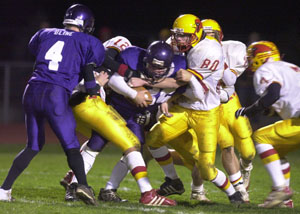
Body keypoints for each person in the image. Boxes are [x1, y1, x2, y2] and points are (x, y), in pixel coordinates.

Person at [0, 4, 103, 205]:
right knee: (71, 146)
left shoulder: (44, 33)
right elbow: (90, 78)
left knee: (33, 145)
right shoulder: (89, 41)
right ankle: (83, 185)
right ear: (86, 24)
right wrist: (91, 89)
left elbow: (37, 53)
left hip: (32, 89)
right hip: (55, 93)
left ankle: (4, 190)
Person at [60, 39, 178, 206]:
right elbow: (113, 76)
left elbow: (173, 87)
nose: (156, 70)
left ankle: (91, 185)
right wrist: (131, 88)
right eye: (152, 65)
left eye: (160, 67)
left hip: (123, 111)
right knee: (128, 145)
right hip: (104, 103)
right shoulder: (127, 52)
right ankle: (145, 193)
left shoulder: (177, 67)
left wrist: (153, 102)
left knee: (108, 144)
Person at [146, 14, 244, 204]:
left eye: (185, 36)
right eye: (177, 35)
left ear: (198, 34)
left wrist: (185, 81)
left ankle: (234, 193)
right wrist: (169, 97)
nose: (179, 40)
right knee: (153, 139)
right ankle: (173, 180)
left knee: (207, 168)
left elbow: (197, 93)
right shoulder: (176, 42)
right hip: (183, 107)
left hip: (206, 112)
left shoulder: (209, 50)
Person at [235, 40, 297, 208]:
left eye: (250, 59)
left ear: (259, 58)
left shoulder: (265, 69)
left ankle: (280, 189)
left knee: (261, 137)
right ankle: (284, 202)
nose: (248, 63)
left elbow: (273, 93)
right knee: (276, 149)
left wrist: (250, 110)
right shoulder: (289, 67)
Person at [201, 19, 256, 202]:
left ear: (220, 36)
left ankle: (245, 167)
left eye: (212, 35)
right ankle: (199, 189)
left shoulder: (235, 49)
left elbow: (230, 82)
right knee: (223, 145)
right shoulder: (193, 52)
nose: (209, 39)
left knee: (248, 150)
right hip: (209, 103)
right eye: (205, 35)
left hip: (229, 99)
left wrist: (218, 58)